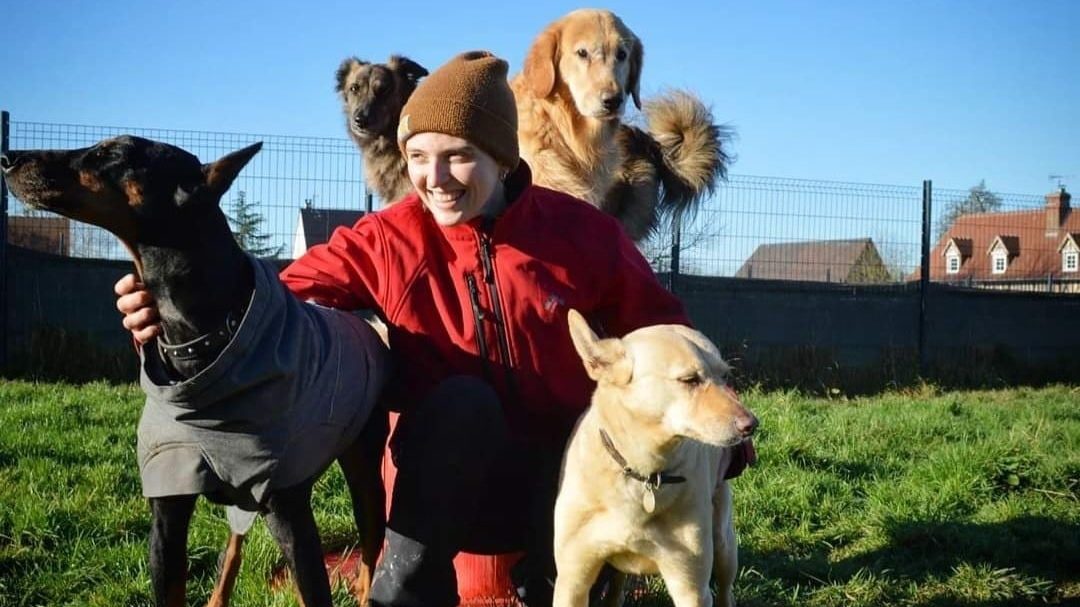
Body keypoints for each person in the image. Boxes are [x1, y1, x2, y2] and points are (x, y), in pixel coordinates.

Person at [116, 50, 738, 607]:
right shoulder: (391, 236)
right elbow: (276, 300)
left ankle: (549, 577)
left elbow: (663, 331)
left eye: (457, 156)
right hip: (437, 482)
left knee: (562, 523)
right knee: (463, 402)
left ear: (501, 156)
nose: (433, 178)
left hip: (563, 476)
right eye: (417, 157)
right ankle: (404, 590)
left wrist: (722, 431)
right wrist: (173, 305)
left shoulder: (581, 234)